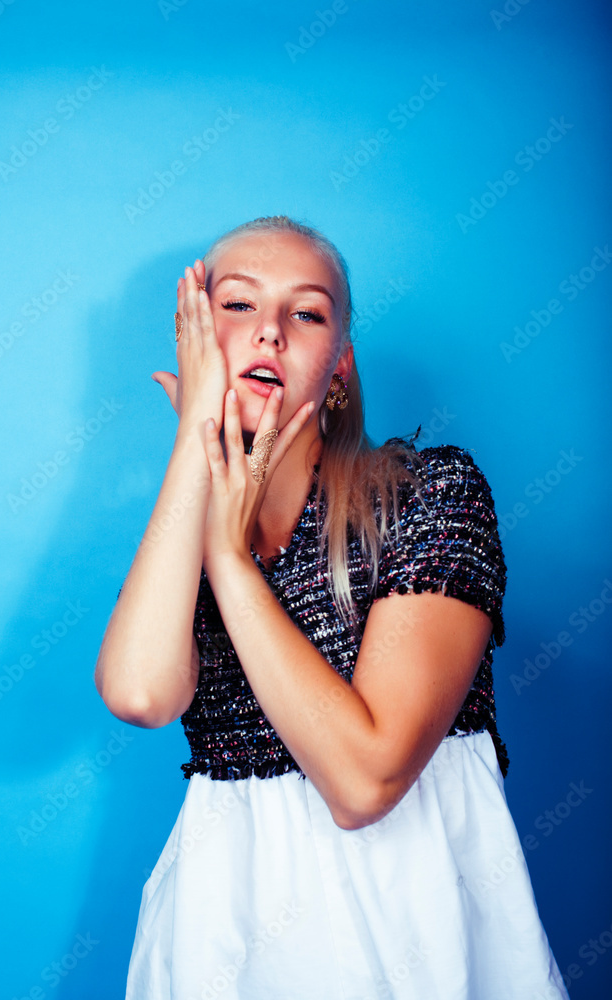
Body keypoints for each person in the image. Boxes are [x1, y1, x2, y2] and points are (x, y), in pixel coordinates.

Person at [95, 215, 570, 999]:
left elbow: (363, 782)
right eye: (238, 307)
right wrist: (195, 442)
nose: (270, 334)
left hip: (407, 920)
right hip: (225, 932)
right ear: (195, 343)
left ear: (339, 369)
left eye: (306, 313)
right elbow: (140, 693)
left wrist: (227, 554)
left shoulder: (431, 497)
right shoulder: (173, 546)